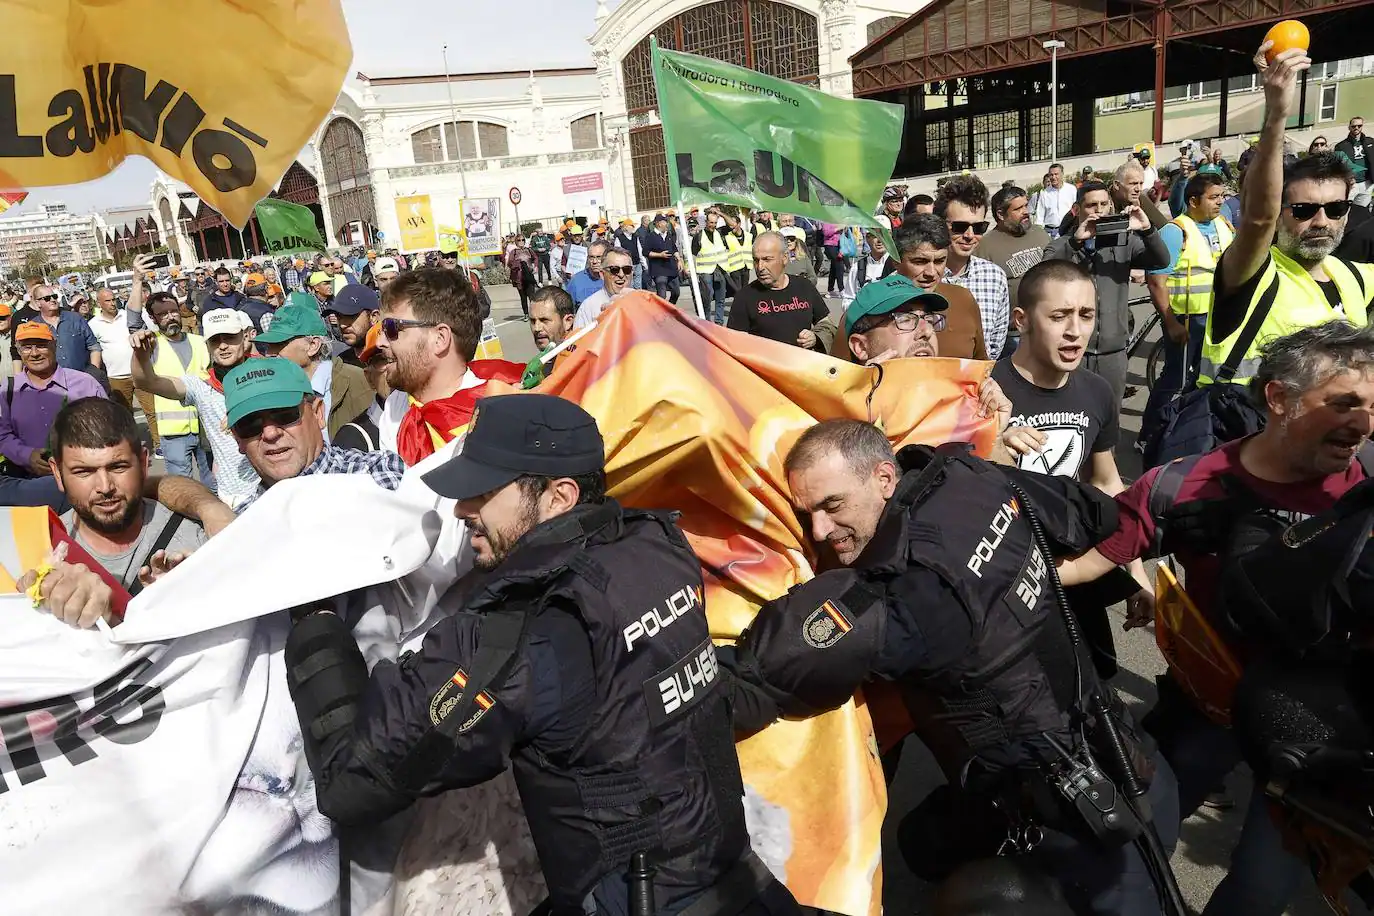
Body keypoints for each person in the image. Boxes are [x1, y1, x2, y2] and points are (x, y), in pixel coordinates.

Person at [283, 393, 801, 916]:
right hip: (737, 879)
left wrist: (316, 624)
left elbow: (355, 778)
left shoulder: (530, 631)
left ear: (559, 497)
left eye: (482, 492)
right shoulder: (657, 546)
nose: (462, 510)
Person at [730, 418, 1178, 916]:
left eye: (832, 506)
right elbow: (1092, 511)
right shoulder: (969, 477)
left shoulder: (904, 594)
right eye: (806, 513)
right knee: (922, 843)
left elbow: (756, 683)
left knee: (968, 886)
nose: (818, 530)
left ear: (883, 478)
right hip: (1127, 753)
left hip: (1077, 824)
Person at [1058, 319, 1374, 916]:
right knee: (1137, 848)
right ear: (1278, 398)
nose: (1363, 424)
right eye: (1344, 403)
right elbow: (1079, 566)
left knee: (1259, 895)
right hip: (1205, 714)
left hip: (1321, 741)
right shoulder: (1181, 487)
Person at [1198, 45, 1374, 391]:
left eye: (1335, 208)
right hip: (1248, 433)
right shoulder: (1253, 272)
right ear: (1280, 214)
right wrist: (1277, 112)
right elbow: (1258, 219)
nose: (1321, 221)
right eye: (1305, 210)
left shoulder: (1353, 276)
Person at [50, 397, 208, 592]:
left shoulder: (196, 542)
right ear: (57, 473)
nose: (105, 487)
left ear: (143, 463)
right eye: (84, 472)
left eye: (118, 467)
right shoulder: (39, 553)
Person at [375, 267, 525, 464]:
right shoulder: (395, 407)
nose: (380, 342)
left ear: (439, 338)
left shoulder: (501, 411)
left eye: (392, 329)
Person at [1043, 180, 1169, 406]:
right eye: (1092, 205)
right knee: (1071, 418)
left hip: (1113, 353)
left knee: (1109, 425)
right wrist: (1075, 243)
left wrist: (1148, 229)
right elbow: (1044, 275)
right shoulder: (1063, 244)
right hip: (1072, 352)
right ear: (1076, 209)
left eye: (1104, 204)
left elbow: (1161, 260)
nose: (1099, 210)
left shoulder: (1124, 243)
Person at [223, 358, 405, 513]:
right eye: (250, 424)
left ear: (318, 413)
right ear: (237, 438)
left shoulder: (377, 474)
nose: (270, 433)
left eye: (284, 414)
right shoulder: (239, 526)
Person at [131, 308, 261, 510]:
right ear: (207, 345)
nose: (223, 346)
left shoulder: (268, 375)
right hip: (231, 499)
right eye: (215, 340)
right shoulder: (201, 386)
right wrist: (140, 354)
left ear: (244, 338)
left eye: (230, 338)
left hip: (269, 489)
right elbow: (146, 382)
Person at [1141, 171, 1236, 436]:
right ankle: (1150, 434)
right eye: (1214, 197)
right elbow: (1156, 281)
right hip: (1186, 319)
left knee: (1205, 379)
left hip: (1218, 318)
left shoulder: (1225, 226)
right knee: (1175, 380)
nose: (1220, 202)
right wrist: (1170, 322)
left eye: (1222, 196)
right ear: (1193, 201)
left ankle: (1189, 429)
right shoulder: (1176, 232)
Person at [0, 322, 108, 509]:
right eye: (27, 347)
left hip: (85, 483)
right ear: (19, 351)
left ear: (54, 345)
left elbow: (109, 429)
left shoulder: (85, 384)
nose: (34, 353)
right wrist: (27, 456)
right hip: (30, 487)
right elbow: (2, 435)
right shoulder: (8, 390)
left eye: (41, 345)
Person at [251, 303, 372, 443]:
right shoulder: (273, 389)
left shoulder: (358, 381)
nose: (269, 353)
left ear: (313, 346)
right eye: (267, 346)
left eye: (279, 344)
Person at [129, 289, 214, 488]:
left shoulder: (200, 342)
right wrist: (137, 280)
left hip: (205, 427)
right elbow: (133, 324)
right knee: (183, 487)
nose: (170, 317)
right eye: (163, 314)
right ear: (153, 318)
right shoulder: (152, 344)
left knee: (214, 484)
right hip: (174, 433)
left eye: (173, 311)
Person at [886, 215, 988, 359]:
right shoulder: (869, 306)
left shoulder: (963, 300)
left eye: (940, 261)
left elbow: (982, 366)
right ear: (896, 261)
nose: (932, 273)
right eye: (920, 261)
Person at [936, 175, 1010, 360]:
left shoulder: (995, 277)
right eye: (960, 227)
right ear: (940, 224)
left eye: (978, 228)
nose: (970, 235)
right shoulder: (919, 277)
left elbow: (993, 349)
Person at [726, 232, 835, 352]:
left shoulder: (804, 286)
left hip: (802, 367)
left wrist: (815, 337)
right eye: (756, 260)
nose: (760, 267)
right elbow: (734, 344)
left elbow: (826, 325)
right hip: (765, 368)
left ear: (785, 258)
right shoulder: (744, 297)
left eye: (767, 259)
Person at [978, 185, 1049, 356]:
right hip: (1012, 337)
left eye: (1026, 206)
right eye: (1018, 208)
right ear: (1001, 215)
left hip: (1046, 328)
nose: (1026, 212)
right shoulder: (985, 247)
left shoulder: (1040, 233)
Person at [26, 283, 102, 373]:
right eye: (47, 298)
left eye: (54, 296)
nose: (53, 300)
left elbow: (94, 347)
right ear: (38, 303)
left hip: (81, 379)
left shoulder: (75, 319)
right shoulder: (33, 326)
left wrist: (93, 374)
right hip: (52, 382)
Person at [87, 287, 134, 412]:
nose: (112, 303)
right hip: (116, 376)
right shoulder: (93, 324)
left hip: (139, 373)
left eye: (114, 299)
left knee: (152, 412)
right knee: (124, 414)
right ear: (99, 303)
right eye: (108, 301)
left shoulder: (128, 315)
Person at [572, 247, 634, 330]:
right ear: (602, 274)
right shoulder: (588, 307)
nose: (621, 275)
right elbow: (578, 341)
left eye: (627, 269)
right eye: (614, 270)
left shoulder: (642, 303)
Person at [690, 208, 731, 325]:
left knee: (720, 298)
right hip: (705, 271)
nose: (713, 225)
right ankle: (707, 322)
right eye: (711, 222)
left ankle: (719, 322)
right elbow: (693, 255)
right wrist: (693, 273)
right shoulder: (698, 237)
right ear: (706, 222)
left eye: (715, 223)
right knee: (707, 298)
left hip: (720, 269)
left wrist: (721, 213)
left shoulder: (720, 232)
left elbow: (732, 224)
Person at [324, 284, 379, 367]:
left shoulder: (390, 359)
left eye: (350, 316)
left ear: (373, 317)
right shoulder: (341, 363)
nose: (342, 325)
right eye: (339, 316)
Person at [643, 214, 681, 304]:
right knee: (662, 296)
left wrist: (679, 260)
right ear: (658, 224)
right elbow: (645, 252)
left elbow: (674, 248)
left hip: (671, 268)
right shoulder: (651, 236)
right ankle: (662, 312)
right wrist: (660, 255)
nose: (667, 224)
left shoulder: (668, 235)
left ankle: (670, 307)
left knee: (676, 292)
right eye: (664, 222)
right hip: (659, 269)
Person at [1031, 163, 1076, 238]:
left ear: (1062, 174)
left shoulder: (1071, 189)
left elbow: (1076, 209)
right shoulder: (1044, 193)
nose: (1053, 177)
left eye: (1056, 174)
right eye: (1051, 175)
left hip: (1068, 230)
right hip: (1050, 232)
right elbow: (1040, 215)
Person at [1334, 116, 1373, 192]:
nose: (1356, 128)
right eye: (1354, 126)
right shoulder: (1341, 146)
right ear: (1349, 127)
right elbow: (1337, 166)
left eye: (1359, 126)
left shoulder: (1370, 141)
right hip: (1351, 184)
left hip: (1368, 182)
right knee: (1348, 204)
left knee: (1363, 204)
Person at [565, 240, 608, 307]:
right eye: (591, 257)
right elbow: (567, 308)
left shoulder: (615, 278)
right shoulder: (576, 280)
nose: (594, 261)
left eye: (599, 257)